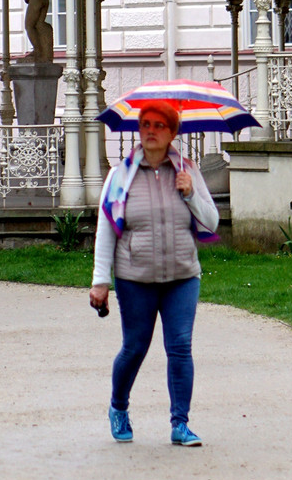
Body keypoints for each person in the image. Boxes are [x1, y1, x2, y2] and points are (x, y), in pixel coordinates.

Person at [89, 101, 219, 447]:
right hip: (135, 278)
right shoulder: (121, 176)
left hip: (182, 277)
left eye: (159, 125)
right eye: (145, 124)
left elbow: (212, 221)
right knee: (134, 347)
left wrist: (190, 194)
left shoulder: (187, 171)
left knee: (180, 347)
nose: (150, 130)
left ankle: (180, 424)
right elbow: (106, 230)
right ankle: (119, 406)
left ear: (172, 132)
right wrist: (100, 282)